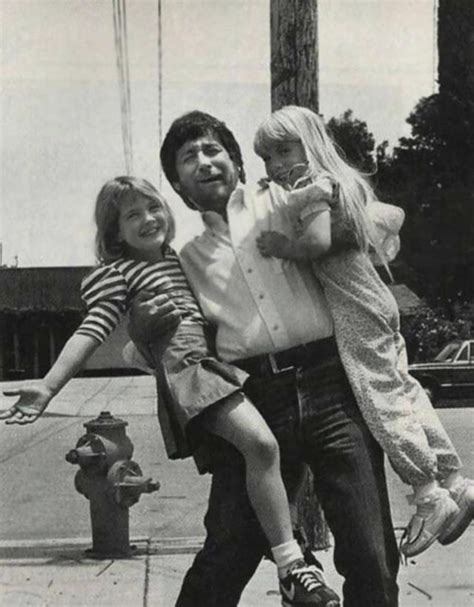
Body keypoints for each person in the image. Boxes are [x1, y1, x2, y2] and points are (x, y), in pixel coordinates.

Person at [0, 176, 338, 607]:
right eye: (131, 215)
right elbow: (92, 329)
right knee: (262, 445)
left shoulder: (178, 261)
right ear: (113, 233)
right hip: (190, 376)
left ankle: (295, 558)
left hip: (221, 369)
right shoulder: (118, 273)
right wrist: (49, 385)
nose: (147, 219)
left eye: (153, 207)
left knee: (264, 471)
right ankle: (292, 565)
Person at [126, 110, 400, 606]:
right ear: (178, 186)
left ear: (238, 162)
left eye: (214, 150)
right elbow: (168, 351)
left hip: (333, 386)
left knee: (371, 553)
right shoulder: (181, 260)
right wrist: (142, 333)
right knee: (227, 550)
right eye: (190, 158)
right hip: (252, 401)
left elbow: (381, 226)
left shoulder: (288, 201)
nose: (205, 162)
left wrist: (327, 235)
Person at [253, 104, 474, 558]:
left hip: (355, 309)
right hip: (376, 303)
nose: (275, 165)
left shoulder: (313, 187)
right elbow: (385, 219)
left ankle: (429, 495)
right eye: (266, 158)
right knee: (406, 391)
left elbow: (314, 245)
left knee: (381, 400)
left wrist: (281, 246)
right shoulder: (340, 185)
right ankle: (455, 481)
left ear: (310, 143)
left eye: (282, 151)